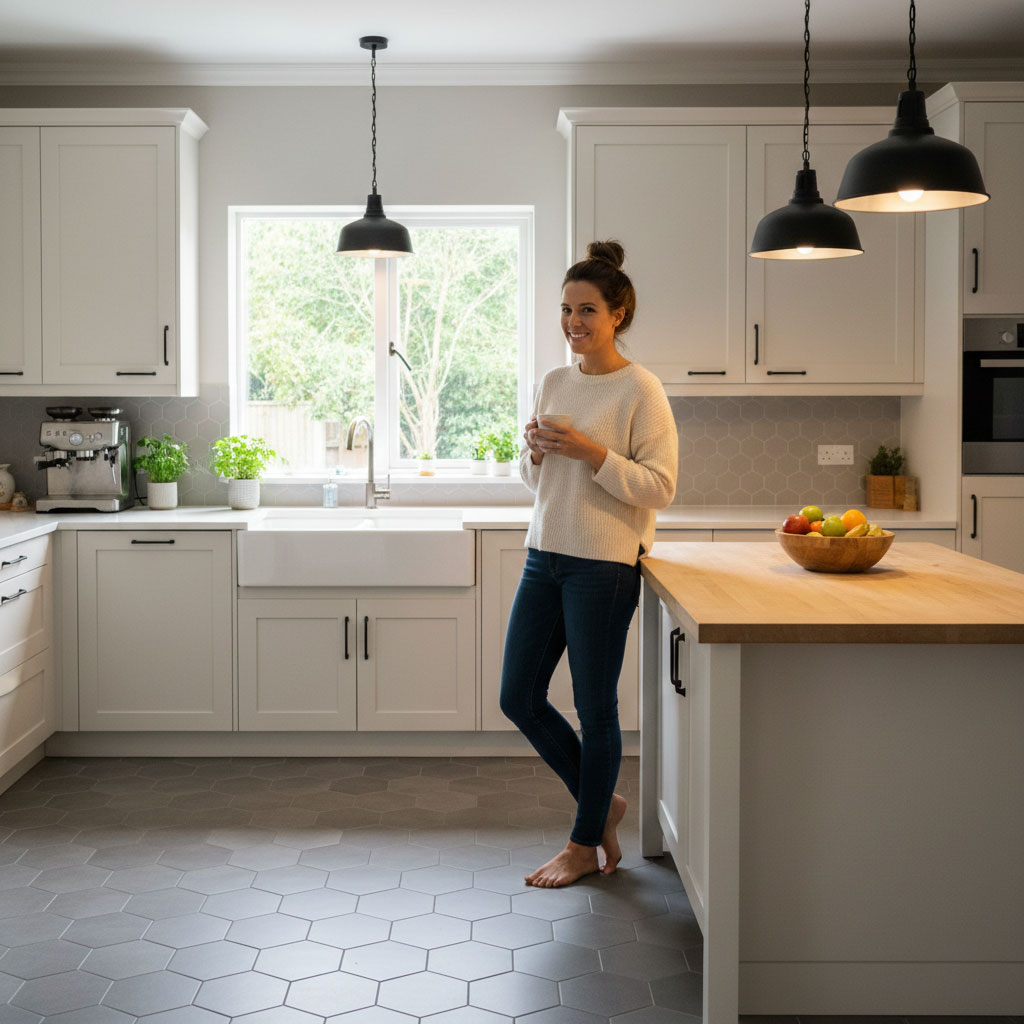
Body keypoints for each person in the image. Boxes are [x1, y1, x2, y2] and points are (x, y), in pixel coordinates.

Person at [499, 240, 679, 888]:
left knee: (594, 709)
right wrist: (534, 453)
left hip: (603, 565)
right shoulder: (554, 381)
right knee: (518, 697)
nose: (573, 322)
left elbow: (660, 487)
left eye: (587, 310)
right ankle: (604, 804)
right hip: (544, 553)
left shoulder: (641, 389)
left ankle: (583, 843)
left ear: (617, 314)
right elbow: (536, 482)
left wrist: (591, 452)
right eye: (566, 310)